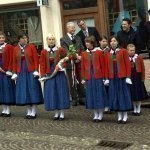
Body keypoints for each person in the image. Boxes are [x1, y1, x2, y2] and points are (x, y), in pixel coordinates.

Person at [11, 34, 43, 119]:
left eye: (26, 38)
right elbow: (14, 62)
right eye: (23, 38)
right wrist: (14, 72)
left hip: (31, 71)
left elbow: (36, 59)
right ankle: (28, 110)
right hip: (21, 72)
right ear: (19, 40)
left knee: (32, 90)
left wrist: (36, 70)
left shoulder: (31, 47)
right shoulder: (15, 49)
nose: (25, 39)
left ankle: (34, 111)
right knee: (24, 91)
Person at [40, 34, 70, 121]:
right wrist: (42, 75)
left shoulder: (60, 49)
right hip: (49, 75)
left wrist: (62, 66)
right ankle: (56, 113)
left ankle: (62, 113)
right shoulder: (44, 51)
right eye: (49, 39)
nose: (51, 41)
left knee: (60, 92)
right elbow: (42, 64)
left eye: (53, 39)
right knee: (52, 93)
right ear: (47, 41)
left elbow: (67, 59)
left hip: (59, 73)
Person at [105, 36, 132, 124]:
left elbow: (127, 64)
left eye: (114, 41)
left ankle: (125, 115)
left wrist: (128, 76)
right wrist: (107, 78)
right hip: (113, 77)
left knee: (122, 95)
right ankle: (119, 115)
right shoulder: (108, 53)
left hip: (121, 77)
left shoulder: (123, 51)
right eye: (111, 41)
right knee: (115, 95)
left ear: (117, 42)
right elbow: (106, 66)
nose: (113, 42)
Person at [81, 36, 107, 122]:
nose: (87, 44)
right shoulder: (84, 53)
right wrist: (83, 78)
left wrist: (104, 77)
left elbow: (103, 65)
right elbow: (83, 67)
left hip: (98, 76)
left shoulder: (99, 52)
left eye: (88, 42)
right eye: (86, 42)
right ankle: (95, 114)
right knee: (91, 94)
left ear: (92, 43)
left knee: (99, 94)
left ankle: (101, 114)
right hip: (89, 77)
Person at [60, 21, 84, 106]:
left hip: (79, 63)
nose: (73, 29)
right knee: (72, 81)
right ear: (67, 28)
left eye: (74, 27)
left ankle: (82, 98)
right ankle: (74, 98)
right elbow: (66, 51)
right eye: (72, 27)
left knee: (81, 80)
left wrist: (80, 57)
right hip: (70, 64)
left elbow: (82, 49)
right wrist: (76, 57)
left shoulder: (78, 38)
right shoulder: (63, 39)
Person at [127, 44, 148, 116]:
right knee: (132, 94)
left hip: (137, 78)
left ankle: (138, 108)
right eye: (131, 50)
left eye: (133, 50)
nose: (132, 52)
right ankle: (134, 108)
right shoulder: (126, 58)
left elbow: (143, 68)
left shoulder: (138, 57)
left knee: (138, 94)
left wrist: (143, 78)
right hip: (130, 78)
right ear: (127, 50)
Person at [0, 31, 15, 117]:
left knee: (7, 89)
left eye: (2, 38)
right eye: (0, 38)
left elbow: (12, 59)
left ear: (5, 38)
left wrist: (9, 70)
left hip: (6, 72)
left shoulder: (9, 47)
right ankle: (3, 109)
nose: (1, 39)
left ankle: (8, 110)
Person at [98, 36, 110, 114]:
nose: (104, 42)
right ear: (99, 42)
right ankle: (104, 105)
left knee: (109, 89)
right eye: (103, 41)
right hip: (100, 71)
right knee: (103, 90)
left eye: (105, 41)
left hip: (109, 71)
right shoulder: (97, 51)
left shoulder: (109, 50)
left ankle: (109, 106)